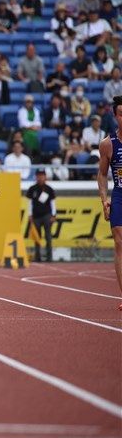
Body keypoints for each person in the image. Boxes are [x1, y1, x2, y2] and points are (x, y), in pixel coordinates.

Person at [97, 95, 122, 311]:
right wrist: (104, 198)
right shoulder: (107, 144)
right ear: (115, 117)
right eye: (121, 114)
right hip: (120, 195)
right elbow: (103, 174)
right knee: (119, 240)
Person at [27, 168, 57, 262]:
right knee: (37, 238)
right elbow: (30, 202)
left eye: (42, 175)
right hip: (36, 216)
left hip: (47, 215)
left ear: (45, 176)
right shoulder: (32, 189)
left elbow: (52, 203)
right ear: (36, 176)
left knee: (48, 237)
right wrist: (30, 214)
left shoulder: (49, 189)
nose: (41, 177)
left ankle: (49, 257)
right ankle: (38, 257)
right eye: (39, 175)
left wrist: (53, 215)